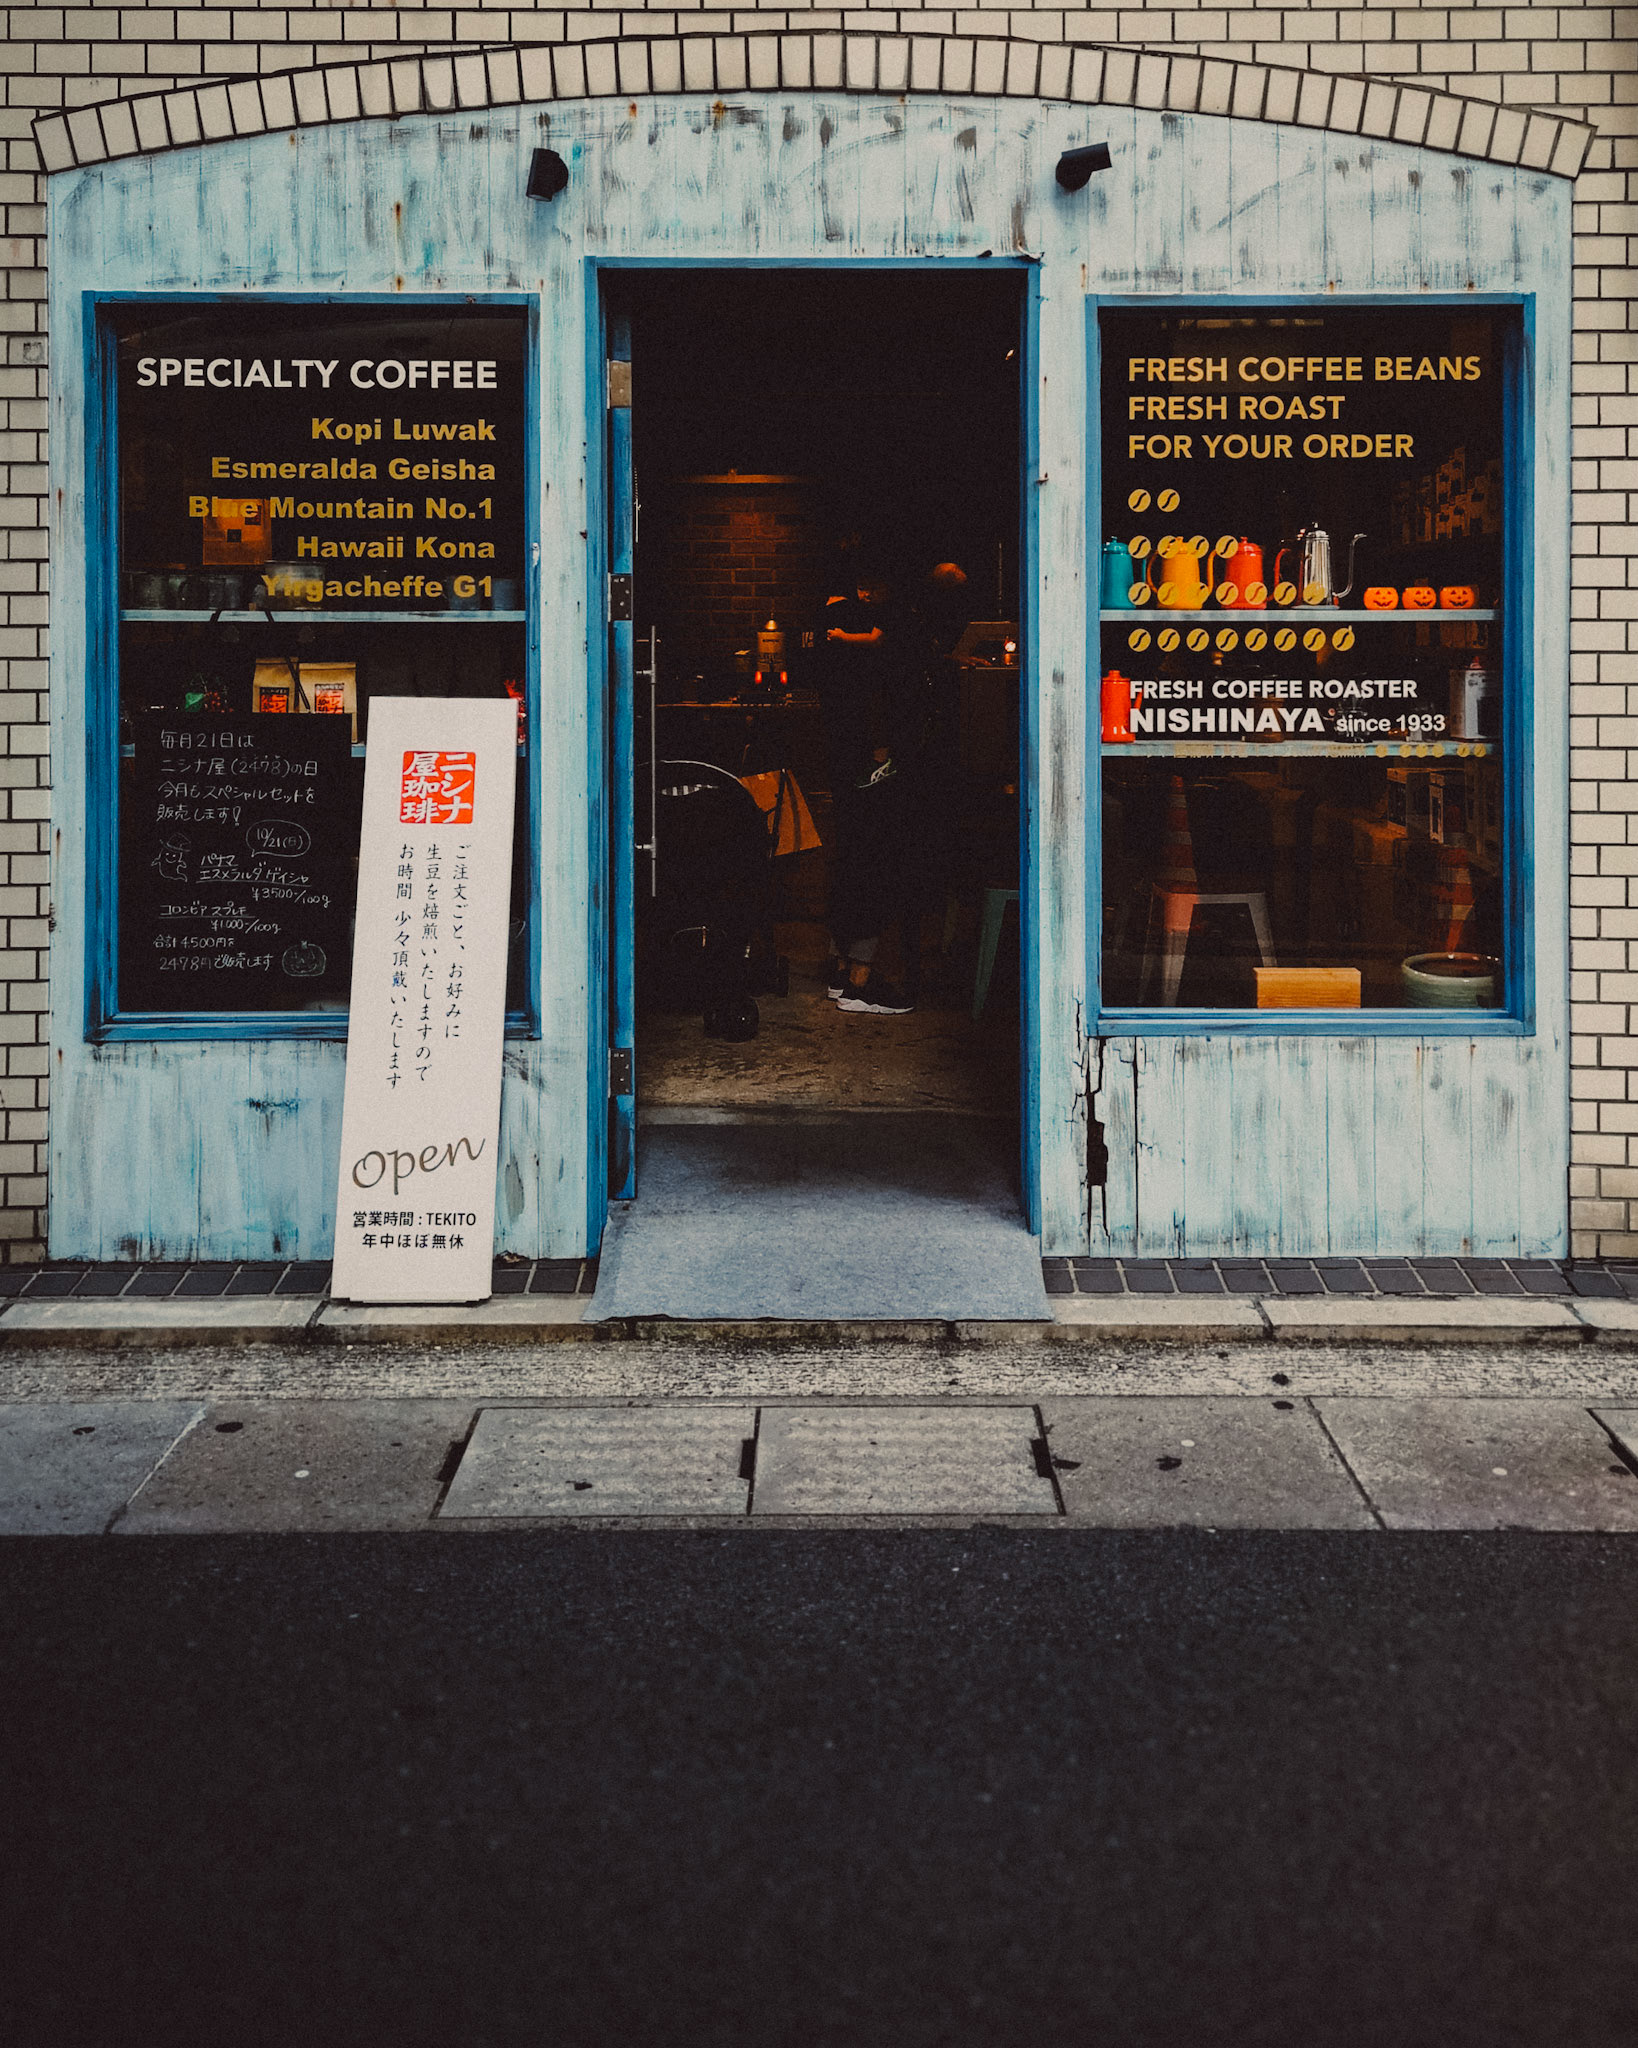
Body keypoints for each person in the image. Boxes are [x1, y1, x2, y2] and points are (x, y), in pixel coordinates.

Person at [813, 551, 914, 1016]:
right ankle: (861, 981)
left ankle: (839, 970)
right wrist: (882, 752)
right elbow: (878, 697)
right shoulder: (868, 634)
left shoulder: (827, 630)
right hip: (870, 759)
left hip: (841, 755)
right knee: (876, 862)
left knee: (852, 856)